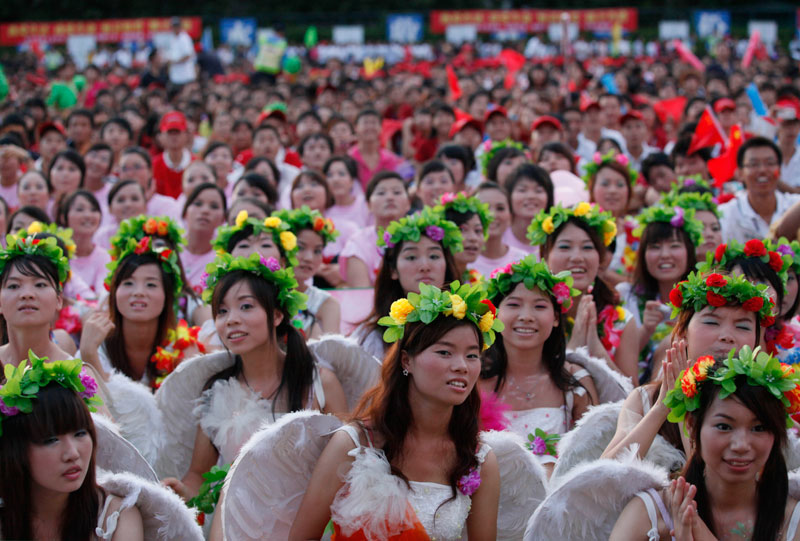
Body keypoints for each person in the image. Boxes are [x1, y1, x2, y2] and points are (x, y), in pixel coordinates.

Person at [290, 281, 500, 540]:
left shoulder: (478, 458)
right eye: (445, 352)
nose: (462, 366)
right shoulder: (355, 444)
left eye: (472, 355)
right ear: (406, 361)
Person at [162, 253, 346, 501]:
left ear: (278, 315)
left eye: (246, 306)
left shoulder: (320, 384)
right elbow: (198, 474)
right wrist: (180, 492)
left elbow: (349, 464)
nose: (232, 320)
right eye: (222, 311)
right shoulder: (216, 390)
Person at [610, 346, 800, 540]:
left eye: (759, 428)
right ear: (692, 426)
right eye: (724, 426)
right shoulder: (649, 514)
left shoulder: (792, 520)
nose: (741, 445)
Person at [602, 271, 774, 464]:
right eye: (711, 322)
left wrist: (684, 409)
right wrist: (663, 407)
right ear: (683, 333)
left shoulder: (764, 401)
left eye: (742, 327)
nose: (727, 336)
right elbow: (606, 472)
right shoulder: (647, 398)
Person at [0, 352, 145, 540]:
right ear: (16, 450)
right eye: (51, 440)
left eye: (80, 433)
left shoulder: (116, 517)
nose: (72, 453)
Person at [481, 257, 598, 467]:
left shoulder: (575, 382)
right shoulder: (474, 380)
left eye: (539, 306)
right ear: (495, 314)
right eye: (514, 304)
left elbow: (592, 461)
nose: (526, 316)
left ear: (555, 317)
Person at [532, 202, 639, 381]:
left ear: (602, 258)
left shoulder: (622, 322)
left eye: (588, 247)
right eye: (565, 247)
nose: (577, 257)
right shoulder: (532, 316)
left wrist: (595, 348)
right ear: (545, 256)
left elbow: (634, 398)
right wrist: (574, 348)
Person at [617, 204, 703, 382]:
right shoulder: (626, 296)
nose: (665, 254)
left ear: (689, 251)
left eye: (674, 245)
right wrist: (646, 330)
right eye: (655, 247)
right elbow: (616, 364)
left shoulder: (704, 301)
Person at [273, 206, 342, 337]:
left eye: (317, 251)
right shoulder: (264, 295)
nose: (309, 258)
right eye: (300, 248)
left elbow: (332, 353)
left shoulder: (327, 303)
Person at [719, 137, 800, 243]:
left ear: (779, 170)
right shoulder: (725, 215)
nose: (762, 170)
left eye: (770, 163)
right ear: (740, 173)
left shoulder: (795, 205)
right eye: (754, 164)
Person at [341, 171, 411, 287]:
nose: (390, 197)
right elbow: (360, 295)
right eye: (381, 193)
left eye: (397, 192)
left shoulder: (420, 235)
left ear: (408, 203)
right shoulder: (357, 243)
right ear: (368, 205)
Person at [56, 190, 109, 296]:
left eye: (93, 210)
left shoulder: (103, 256)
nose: (88, 215)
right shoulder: (56, 253)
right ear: (63, 217)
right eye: (80, 209)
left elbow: (103, 295)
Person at [473, 182, 527, 277]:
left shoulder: (522, 260)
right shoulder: (463, 261)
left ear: (510, 216)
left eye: (500, 208)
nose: (492, 215)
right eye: (484, 208)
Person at [436, 191, 493, 282]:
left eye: (478, 230)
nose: (473, 238)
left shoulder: (476, 280)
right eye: (462, 229)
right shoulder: (434, 283)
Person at [180, 183, 227, 291]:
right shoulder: (168, 248)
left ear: (223, 219)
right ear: (185, 212)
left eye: (214, 206)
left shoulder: (224, 259)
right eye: (198, 203)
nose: (205, 211)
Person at [503, 163, 553, 256]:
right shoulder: (499, 236)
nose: (531, 196)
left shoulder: (554, 237)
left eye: (538, 190)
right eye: (522, 190)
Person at [323, 155, 370, 228]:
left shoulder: (365, 204)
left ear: (352, 180)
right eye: (330, 175)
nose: (335, 180)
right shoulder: (325, 212)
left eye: (341, 174)